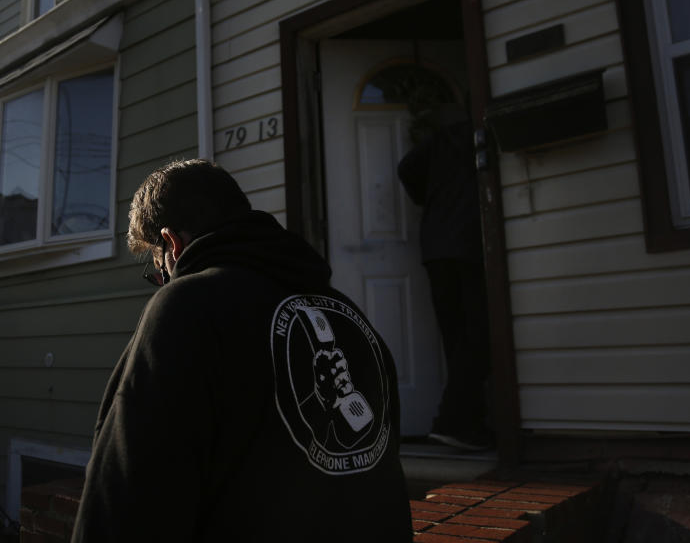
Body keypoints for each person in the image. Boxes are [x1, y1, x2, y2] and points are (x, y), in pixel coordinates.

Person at [72, 159, 411, 541]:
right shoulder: (352, 319)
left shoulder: (187, 308)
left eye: (158, 272)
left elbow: (126, 508)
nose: (163, 283)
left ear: (172, 244)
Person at [397, 103, 493, 452]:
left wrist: (428, 198)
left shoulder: (440, 141)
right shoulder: (482, 135)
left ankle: (469, 423)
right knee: (479, 336)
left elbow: (406, 167)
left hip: (435, 246)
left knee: (457, 337)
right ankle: (452, 421)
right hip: (469, 243)